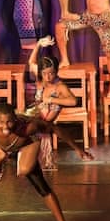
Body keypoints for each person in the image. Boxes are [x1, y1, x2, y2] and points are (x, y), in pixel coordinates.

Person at [25, 35, 78, 171]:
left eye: (51, 73)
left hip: (45, 125)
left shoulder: (59, 86)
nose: (48, 77)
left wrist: (52, 100)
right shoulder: (40, 80)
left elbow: (73, 101)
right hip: (35, 120)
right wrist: (38, 45)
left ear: (56, 72)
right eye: (45, 73)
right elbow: (31, 62)